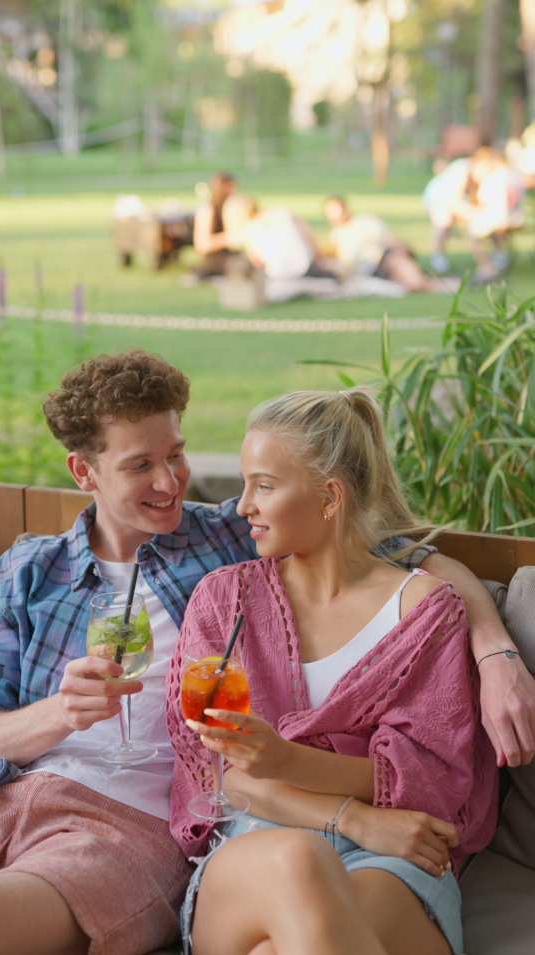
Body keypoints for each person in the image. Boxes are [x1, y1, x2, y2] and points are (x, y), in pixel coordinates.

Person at [0, 351, 534, 955]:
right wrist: (61, 712)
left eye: (176, 454)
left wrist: (494, 653)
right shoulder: (25, 573)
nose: (171, 483)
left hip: (118, 822)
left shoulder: (223, 540)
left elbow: (399, 556)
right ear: (83, 471)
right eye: (142, 465)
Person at [167, 389, 500, 955]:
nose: (242, 505)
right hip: (263, 839)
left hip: (395, 853)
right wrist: (353, 817)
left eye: (264, 486)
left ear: (329, 496)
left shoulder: (424, 611)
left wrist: (286, 765)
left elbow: (433, 781)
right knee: (300, 858)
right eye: (246, 483)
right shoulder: (225, 601)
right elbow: (224, 778)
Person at [422, 148, 524, 280]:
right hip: (438, 199)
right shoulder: (461, 169)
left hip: (462, 203)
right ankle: (438, 259)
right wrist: (474, 213)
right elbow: (452, 201)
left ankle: (497, 255)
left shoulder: (484, 177)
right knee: (443, 218)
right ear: (477, 163)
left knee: (487, 220)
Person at [323, 197, 454, 293]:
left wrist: (402, 251)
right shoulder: (334, 236)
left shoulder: (364, 221)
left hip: (386, 259)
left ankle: (457, 286)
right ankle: (454, 285)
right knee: (411, 287)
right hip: (370, 273)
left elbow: (390, 239)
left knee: (417, 284)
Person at [192, 173, 239, 277]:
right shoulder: (208, 210)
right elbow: (201, 244)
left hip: (231, 256)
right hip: (215, 260)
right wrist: (228, 238)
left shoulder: (232, 207)